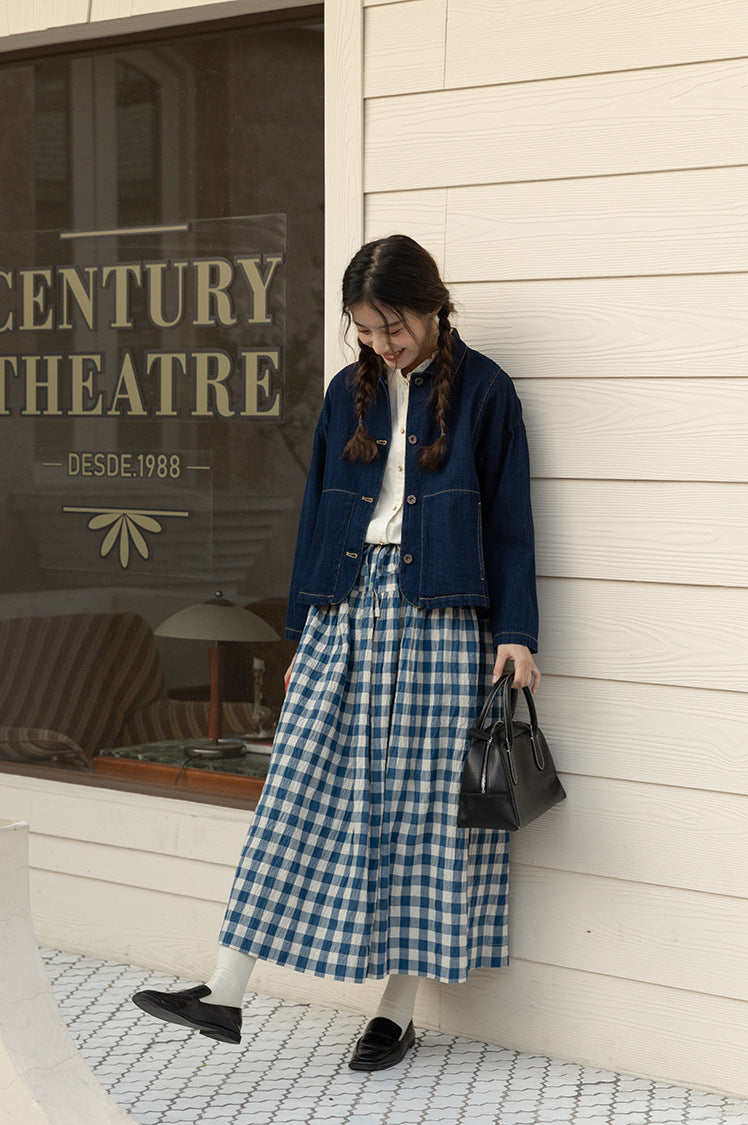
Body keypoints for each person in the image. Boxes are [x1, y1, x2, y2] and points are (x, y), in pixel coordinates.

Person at [133, 234, 540, 1072]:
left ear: (432, 307)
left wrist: (518, 632)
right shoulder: (342, 394)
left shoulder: (487, 392)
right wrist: (306, 626)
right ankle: (224, 990)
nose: (383, 344)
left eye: (394, 327)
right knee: (294, 790)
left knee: (424, 817)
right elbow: (318, 510)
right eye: (367, 329)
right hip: (348, 608)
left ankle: (394, 1013)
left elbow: (509, 521)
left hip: (441, 615)